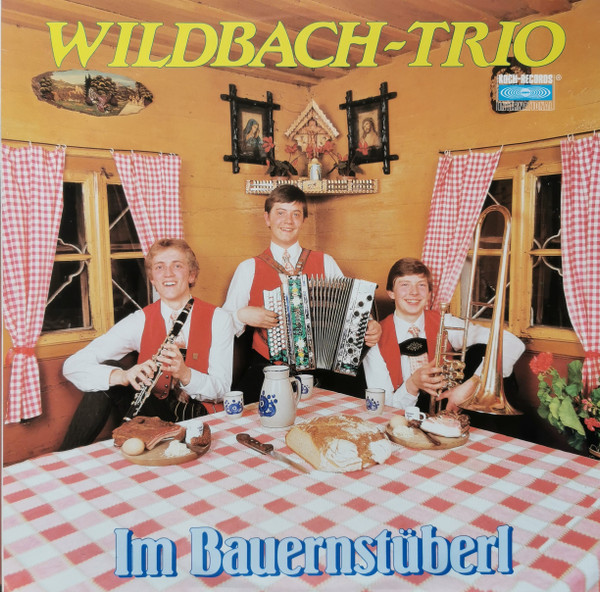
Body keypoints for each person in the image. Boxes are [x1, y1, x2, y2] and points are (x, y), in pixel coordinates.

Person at [60, 238, 234, 450]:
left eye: (177, 266)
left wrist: (185, 374)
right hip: (154, 417)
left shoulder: (219, 319)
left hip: (199, 419)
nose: (168, 274)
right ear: (152, 279)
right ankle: (64, 456)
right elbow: (72, 366)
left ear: (192, 275)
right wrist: (122, 376)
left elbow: (222, 390)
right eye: (159, 267)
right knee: (109, 376)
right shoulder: (140, 320)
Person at [223, 184, 381, 403]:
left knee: (355, 405)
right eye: (280, 213)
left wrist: (370, 325)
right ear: (267, 218)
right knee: (245, 408)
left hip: (324, 368)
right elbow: (222, 325)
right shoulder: (248, 268)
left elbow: (350, 308)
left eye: (296, 214)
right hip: (269, 367)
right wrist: (243, 315)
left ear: (304, 220)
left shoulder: (325, 262)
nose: (288, 221)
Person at [363, 257, 525, 412]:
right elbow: (382, 406)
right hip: (403, 419)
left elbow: (512, 343)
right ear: (391, 293)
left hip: (448, 412)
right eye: (405, 285)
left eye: (421, 285)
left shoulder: (445, 322)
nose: (414, 292)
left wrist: (472, 385)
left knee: (484, 353)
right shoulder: (375, 338)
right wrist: (413, 384)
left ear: (429, 293)